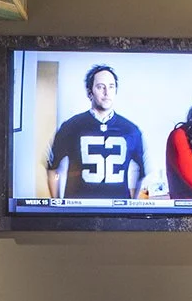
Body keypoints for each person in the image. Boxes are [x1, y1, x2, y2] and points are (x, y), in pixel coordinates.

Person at [45, 64, 146, 201]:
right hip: (79, 212)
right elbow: (53, 169)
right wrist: (57, 207)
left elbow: (141, 171)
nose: (107, 92)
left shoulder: (130, 130)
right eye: (100, 87)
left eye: (111, 86)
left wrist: (131, 205)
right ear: (89, 92)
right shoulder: (71, 126)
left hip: (117, 214)